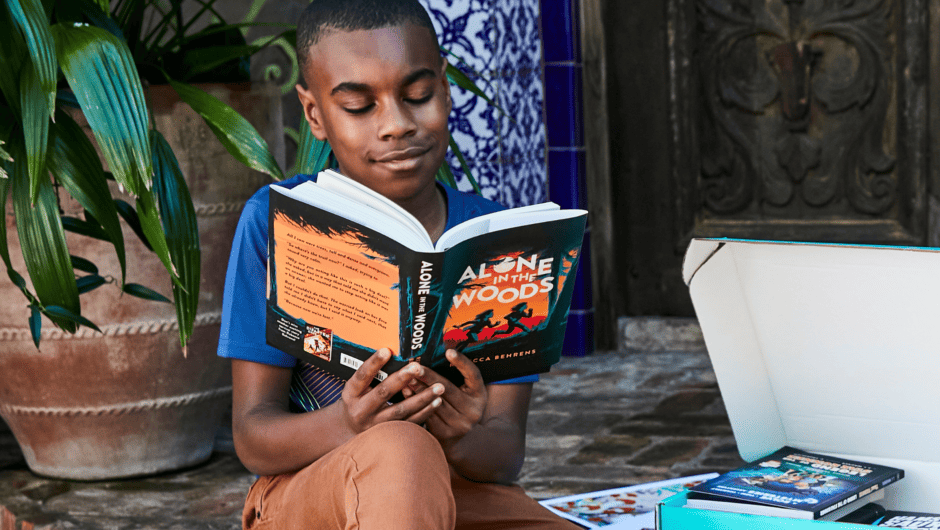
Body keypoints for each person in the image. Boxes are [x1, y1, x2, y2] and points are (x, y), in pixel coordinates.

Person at [217, 1, 580, 528]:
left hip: (450, 492)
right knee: (401, 450)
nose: (396, 125)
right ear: (315, 114)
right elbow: (253, 436)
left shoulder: (498, 241)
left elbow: (504, 455)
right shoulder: (276, 225)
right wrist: (346, 423)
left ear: (446, 90)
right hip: (308, 493)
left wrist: (462, 435)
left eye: (417, 96)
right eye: (360, 107)